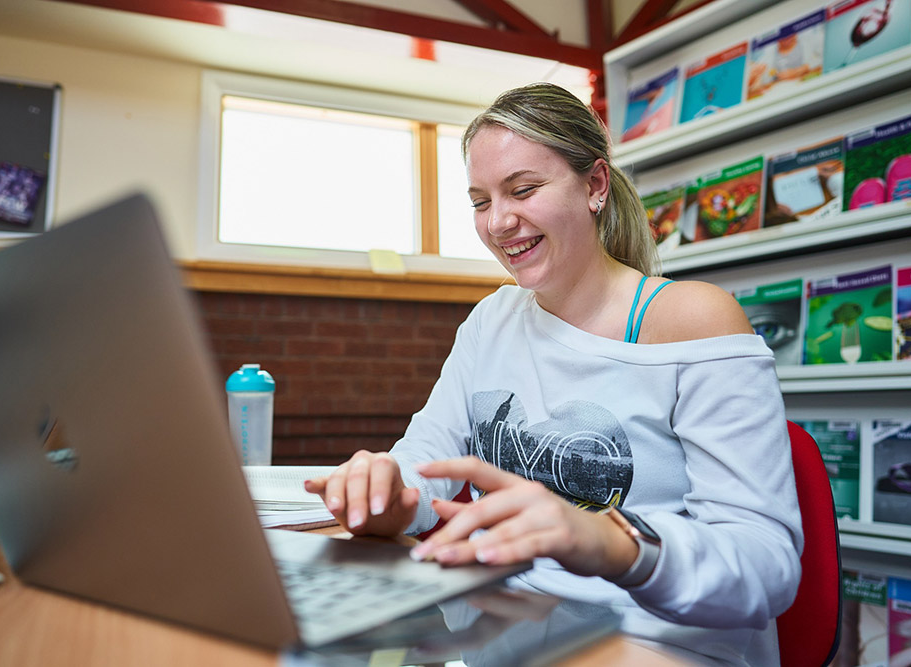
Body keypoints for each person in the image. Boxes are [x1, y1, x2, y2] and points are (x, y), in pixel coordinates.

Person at [306, 82, 803, 665]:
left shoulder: (692, 318)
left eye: (522, 190)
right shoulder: (492, 319)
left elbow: (767, 565)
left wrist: (612, 543)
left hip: (650, 642)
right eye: (480, 201)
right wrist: (391, 492)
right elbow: (426, 462)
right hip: (504, 628)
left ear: (595, 185)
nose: (498, 222)